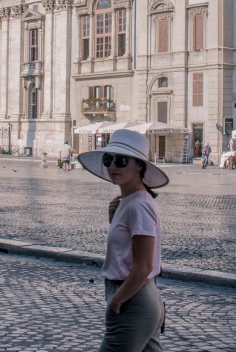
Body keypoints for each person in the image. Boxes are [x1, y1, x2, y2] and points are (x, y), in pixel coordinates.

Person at [76, 129, 167, 351]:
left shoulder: (138, 204)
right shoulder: (128, 201)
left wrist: (117, 300)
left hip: (132, 298)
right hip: (138, 296)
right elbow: (128, 249)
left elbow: (144, 264)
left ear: (139, 166)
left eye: (122, 160)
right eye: (109, 159)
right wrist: (114, 222)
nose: (113, 166)